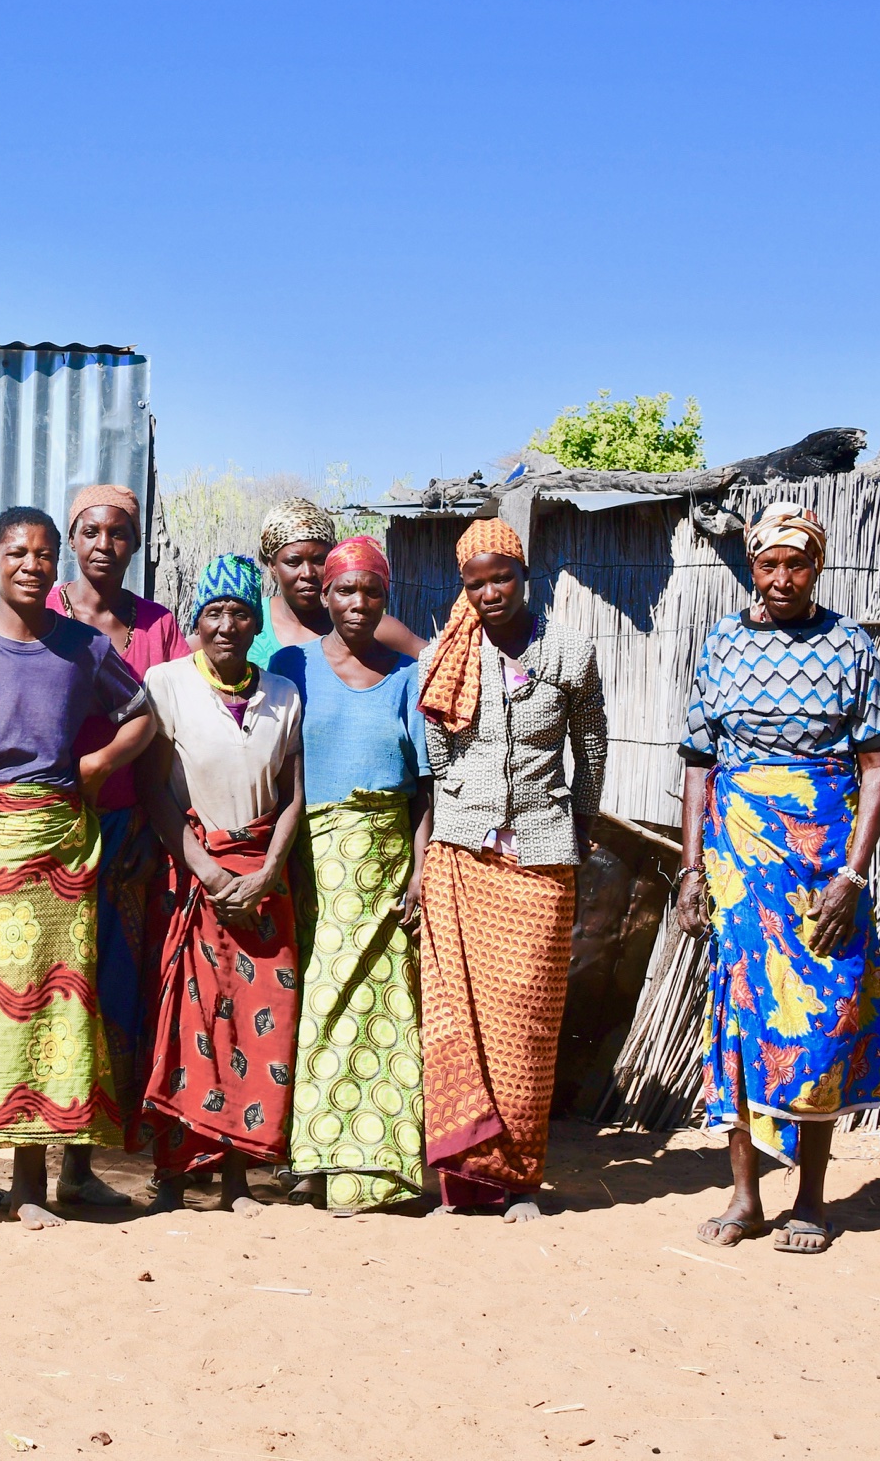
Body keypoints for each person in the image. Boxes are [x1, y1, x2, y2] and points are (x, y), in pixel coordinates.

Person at [0, 506, 153, 1229]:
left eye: (45, 554)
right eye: (17, 552)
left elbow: (144, 713)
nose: (31, 564)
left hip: (58, 850)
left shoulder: (82, 647)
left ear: (58, 569)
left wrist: (99, 763)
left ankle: (30, 1190)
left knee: (49, 1018)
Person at [677, 503, 880, 1256]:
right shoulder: (723, 646)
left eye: (795, 565)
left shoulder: (849, 646)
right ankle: (744, 1198)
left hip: (824, 864)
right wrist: (691, 869)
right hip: (739, 862)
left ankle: (811, 1201)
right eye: (767, 565)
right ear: (752, 567)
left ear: (818, 567)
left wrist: (852, 877)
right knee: (742, 1017)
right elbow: (699, 763)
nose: (780, 579)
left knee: (824, 1018)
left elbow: (875, 765)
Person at [415, 518, 606, 1223]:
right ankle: (462, 1185)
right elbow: (437, 759)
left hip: (539, 861)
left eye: (502, 577)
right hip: (461, 858)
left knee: (525, 1024)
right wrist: (461, 818)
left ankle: (521, 1181)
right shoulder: (449, 654)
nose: (491, 592)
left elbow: (591, 753)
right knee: (456, 1022)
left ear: (525, 576)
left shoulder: (569, 652)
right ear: (462, 588)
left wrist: (571, 833)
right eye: (476, 582)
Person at [133, 555, 305, 1215]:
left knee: (262, 1031)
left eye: (240, 613)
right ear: (194, 622)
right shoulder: (167, 683)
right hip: (193, 876)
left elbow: (295, 795)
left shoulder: (283, 696)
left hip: (264, 884)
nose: (227, 625)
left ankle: (238, 1179)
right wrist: (206, 868)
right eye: (214, 613)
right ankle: (174, 1178)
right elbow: (151, 785)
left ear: (257, 622)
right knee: (186, 1028)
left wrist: (266, 873)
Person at [270, 535, 432, 1212]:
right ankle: (313, 1156)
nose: (357, 604)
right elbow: (274, 764)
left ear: (385, 598)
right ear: (324, 597)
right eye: (344, 591)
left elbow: (428, 786)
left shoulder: (407, 676)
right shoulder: (292, 667)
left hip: (387, 865)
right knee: (318, 1000)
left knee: (386, 1008)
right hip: (312, 861)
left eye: (371, 592)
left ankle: (386, 1167)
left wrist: (421, 871)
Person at [48, 482, 190, 1207]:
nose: (106, 546)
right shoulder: (44, 614)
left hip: (131, 834)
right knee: (47, 987)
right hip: (48, 831)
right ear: (72, 539)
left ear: (135, 544)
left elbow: (170, 739)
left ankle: (82, 1163)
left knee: (114, 996)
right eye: (92, 532)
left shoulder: (160, 628)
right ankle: (28, 1158)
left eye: (120, 534)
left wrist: (156, 836)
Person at [250, 498, 426, 669]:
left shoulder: (368, 625)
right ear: (272, 565)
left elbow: (441, 662)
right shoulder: (249, 623)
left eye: (319, 560)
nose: (308, 573)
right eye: (293, 562)